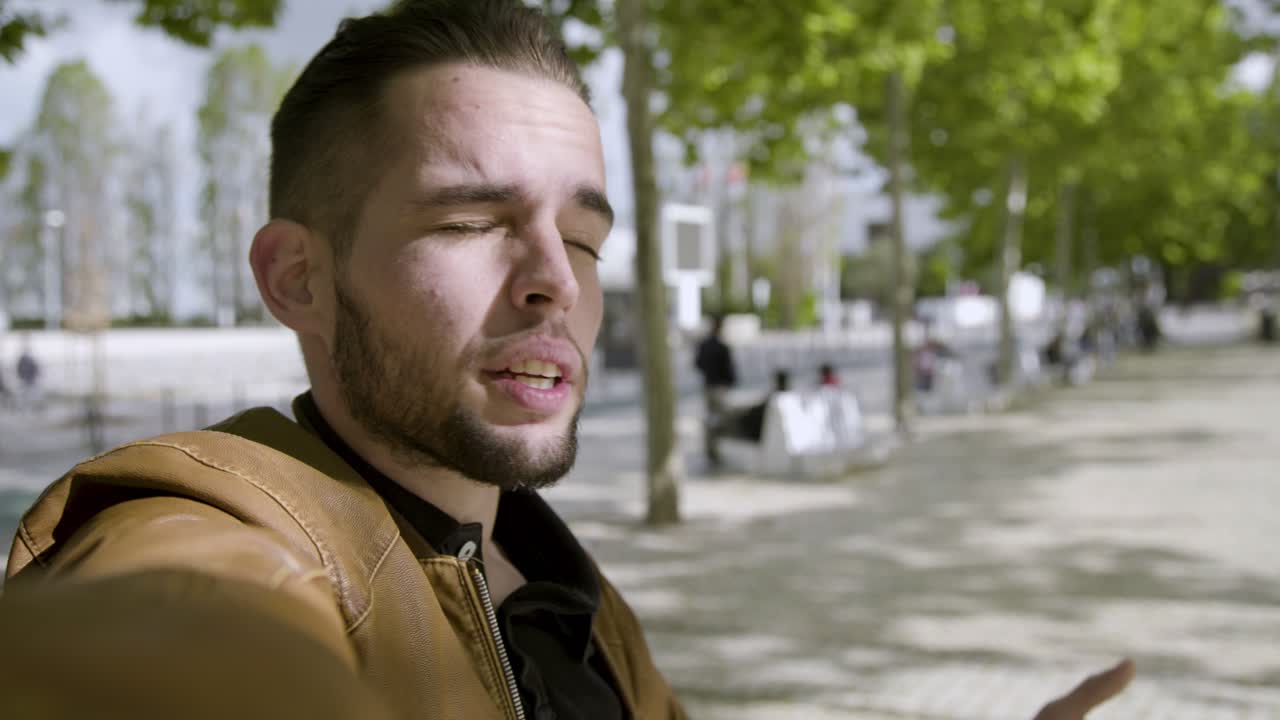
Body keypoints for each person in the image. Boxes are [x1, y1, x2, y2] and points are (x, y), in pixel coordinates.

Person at [0, 2, 1133, 719]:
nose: (555, 279)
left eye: (583, 238)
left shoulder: (573, 596)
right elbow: (164, 632)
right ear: (296, 277)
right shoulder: (202, 528)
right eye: (467, 222)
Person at [694, 313, 737, 466]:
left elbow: (697, 364)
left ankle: (712, 448)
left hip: (709, 386)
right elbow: (729, 370)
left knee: (711, 417)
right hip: (719, 387)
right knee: (717, 418)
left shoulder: (705, 345)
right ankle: (714, 448)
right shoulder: (722, 347)